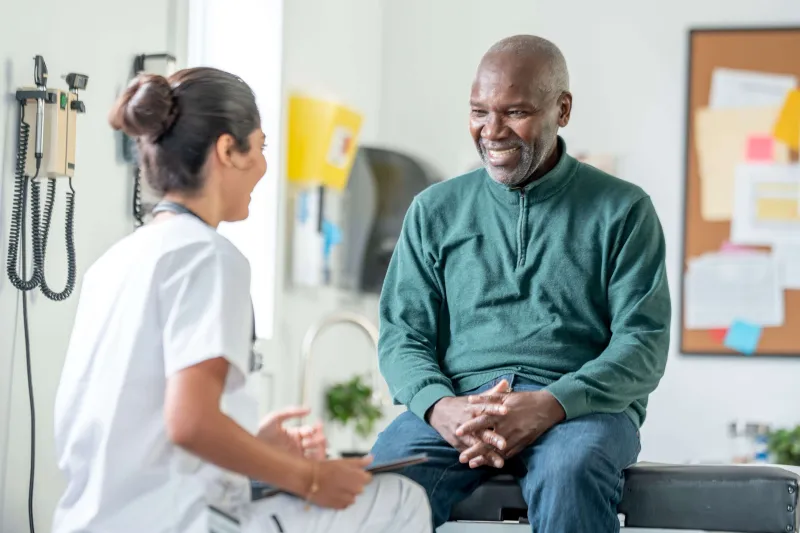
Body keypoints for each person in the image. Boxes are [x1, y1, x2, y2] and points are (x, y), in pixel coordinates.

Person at [52, 67, 431, 533]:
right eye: (261, 147)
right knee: (400, 499)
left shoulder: (116, 261)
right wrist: (311, 477)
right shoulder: (206, 255)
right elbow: (189, 423)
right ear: (228, 150)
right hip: (180, 523)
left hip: (92, 521)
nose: (264, 166)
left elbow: (142, 426)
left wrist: (252, 444)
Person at [370, 34, 671, 533]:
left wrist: (552, 403)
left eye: (515, 112)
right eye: (479, 111)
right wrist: (438, 405)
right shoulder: (434, 210)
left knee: (569, 470)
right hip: (460, 404)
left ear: (563, 109)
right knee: (382, 481)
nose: (492, 130)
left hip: (581, 410)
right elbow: (403, 334)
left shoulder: (623, 210)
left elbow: (642, 346)